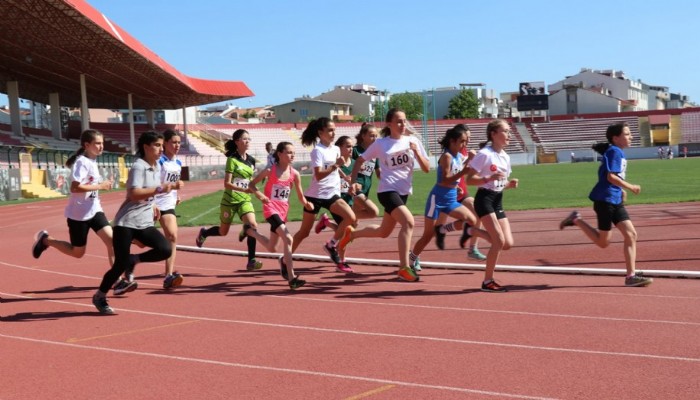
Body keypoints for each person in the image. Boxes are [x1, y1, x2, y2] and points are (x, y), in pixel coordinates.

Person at [92, 131, 179, 314]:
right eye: (157, 145)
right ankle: (100, 295)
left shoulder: (155, 166)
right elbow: (133, 193)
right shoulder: (139, 167)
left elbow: (150, 193)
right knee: (119, 264)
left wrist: (154, 202)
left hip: (144, 222)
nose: (161, 149)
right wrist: (160, 189)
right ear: (146, 147)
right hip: (126, 222)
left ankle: (134, 260)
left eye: (162, 146)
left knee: (164, 249)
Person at [339, 108, 430, 282]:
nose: (402, 124)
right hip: (387, 191)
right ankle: (404, 267)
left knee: (383, 232)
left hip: (403, 192)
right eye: (398, 121)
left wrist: (416, 152)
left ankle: (351, 234)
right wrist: (352, 183)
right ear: (389, 124)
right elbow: (359, 160)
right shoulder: (381, 144)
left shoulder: (413, 141)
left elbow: (426, 169)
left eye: (404, 121)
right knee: (408, 222)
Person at [559, 122, 653, 287]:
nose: (631, 136)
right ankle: (576, 220)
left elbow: (613, 177)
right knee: (603, 243)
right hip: (605, 201)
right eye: (627, 134)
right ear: (616, 138)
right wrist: (630, 187)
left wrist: (621, 189)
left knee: (631, 235)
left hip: (614, 199)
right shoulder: (615, 151)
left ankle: (631, 276)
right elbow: (611, 177)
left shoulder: (617, 151)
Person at [408, 125, 492, 272]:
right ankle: (413, 258)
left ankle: (443, 229)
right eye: (462, 141)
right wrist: (463, 173)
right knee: (428, 235)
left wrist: (458, 181)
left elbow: (457, 171)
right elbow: (444, 180)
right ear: (452, 141)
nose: (465, 144)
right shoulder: (446, 156)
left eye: (466, 141)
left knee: (471, 220)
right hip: (438, 199)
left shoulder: (458, 156)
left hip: (451, 198)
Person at [32, 129, 115, 268]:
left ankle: (117, 278)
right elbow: (75, 188)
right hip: (79, 214)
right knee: (77, 252)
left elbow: (90, 184)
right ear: (87, 145)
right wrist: (101, 186)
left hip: (94, 210)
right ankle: (46, 241)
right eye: (97, 143)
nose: (101, 146)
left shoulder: (93, 161)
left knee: (112, 241)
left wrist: (103, 184)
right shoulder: (82, 162)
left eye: (102, 143)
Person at [195, 129, 270, 270]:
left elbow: (250, 181)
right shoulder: (232, 160)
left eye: (249, 139)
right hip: (229, 201)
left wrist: (257, 187)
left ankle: (251, 261)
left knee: (253, 225)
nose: (247, 141)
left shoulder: (252, 160)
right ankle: (204, 233)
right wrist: (244, 189)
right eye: (244, 139)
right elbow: (227, 184)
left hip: (244, 200)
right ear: (237, 142)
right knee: (223, 232)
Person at [291, 117, 356, 272]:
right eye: (330, 130)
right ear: (321, 133)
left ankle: (331, 244)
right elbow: (319, 175)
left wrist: (343, 175)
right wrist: (336, 165)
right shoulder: (317, 151)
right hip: (315, 196)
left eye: (334, 130)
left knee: (350, 218)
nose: (333, 133)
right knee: (304, 232)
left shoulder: (335, 149)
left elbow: (334, 166)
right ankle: (286, 256)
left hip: (332, 194)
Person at [249, 141, 313, 289]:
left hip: (283, 211)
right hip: (270, 209)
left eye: (293, 153)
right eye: (289, 152)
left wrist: (307, 204)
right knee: (288, 238)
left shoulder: (295, 174)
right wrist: (260, 196)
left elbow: (300, 196)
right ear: (279, 154)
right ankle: (292, 278)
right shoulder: (270, 170)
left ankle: (250, 232)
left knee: (272, 248)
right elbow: (252, 184)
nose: (292, 155)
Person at [466, 119, 519, 292]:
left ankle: (473, 231)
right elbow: (469, 179)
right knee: (498, 241)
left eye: (509, 131)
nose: (509, 135)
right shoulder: (484, 154)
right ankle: (487, 281)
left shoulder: (505, 156)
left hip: (498, 199)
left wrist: (509, 185)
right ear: (493, 134)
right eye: (505, 131)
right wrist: (488, 178)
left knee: (507, 243)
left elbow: (500, 183)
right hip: (484, 199)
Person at [432, 124, 486, 261]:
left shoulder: (463, 149)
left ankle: (472, 248)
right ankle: (416, 255)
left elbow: (465, 169)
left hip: (461, 192)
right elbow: (448, 174)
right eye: (466, 138)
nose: (467, 141)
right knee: (433, 228)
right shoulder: (451, 152)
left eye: (468, 139)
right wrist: (469, 160)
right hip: (446, 193)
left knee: (476, 213)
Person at [155, 129, 185, 289]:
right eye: (173, 142)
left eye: (179, 142)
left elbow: (173, 184)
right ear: (165, 143)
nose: (177, 145)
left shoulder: (178, 163)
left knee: (172, 236)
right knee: (140, 241)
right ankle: (132, 260)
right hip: (152, 204)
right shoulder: (159, 162)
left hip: (167, 205)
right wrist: (152, 202)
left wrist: (176, 195)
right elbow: (153, 185)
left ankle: (168, 275)